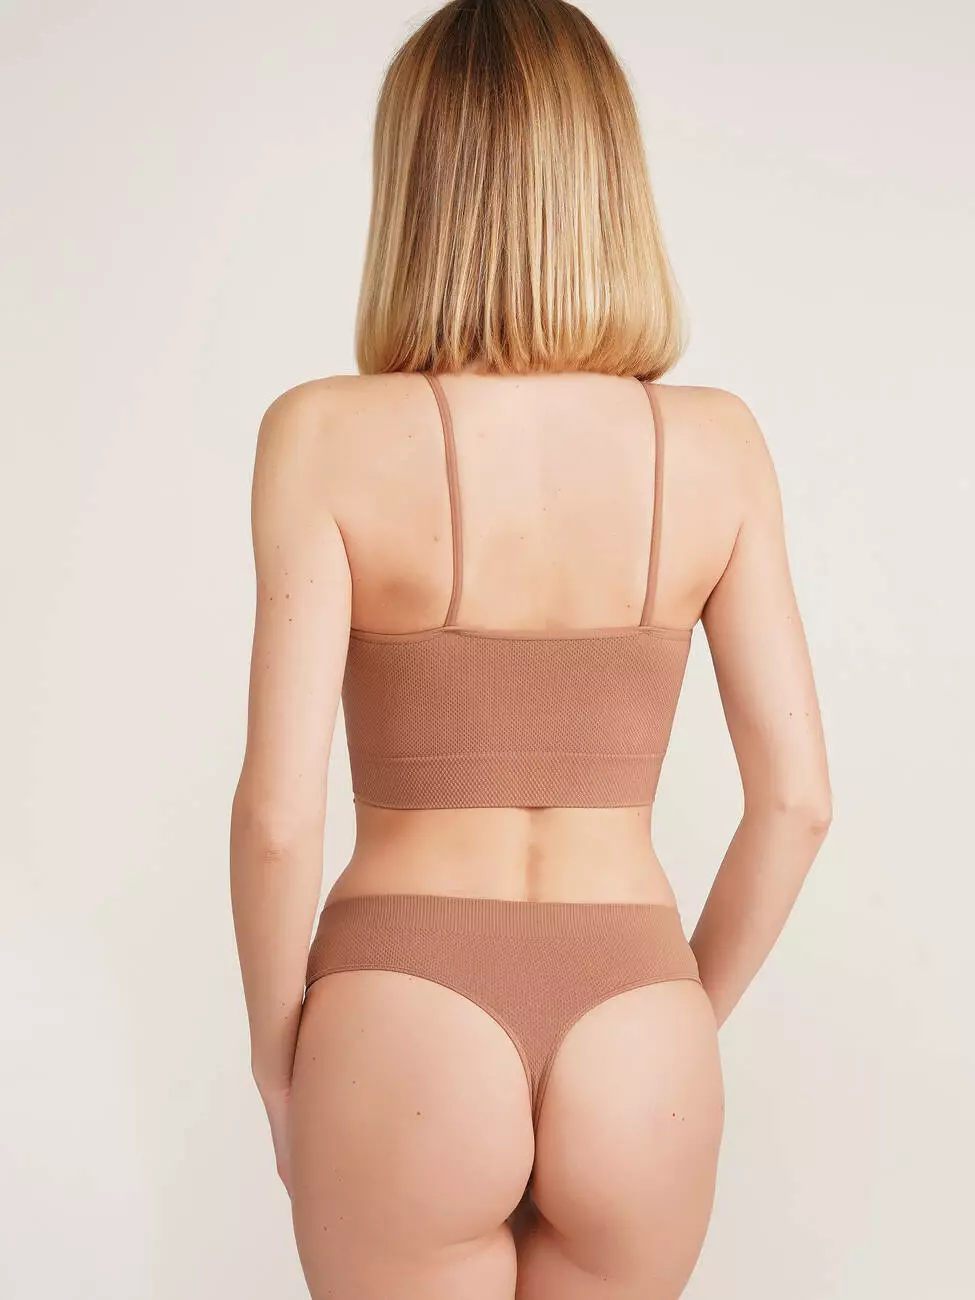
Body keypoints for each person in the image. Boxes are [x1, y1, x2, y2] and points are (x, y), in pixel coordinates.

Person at [229, 1, 832, 1296]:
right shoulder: (718, 445)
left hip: (402, 1007)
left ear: (415, 187)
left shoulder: (322, 433)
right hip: (638, 1005)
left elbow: (278, 819)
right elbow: (796, 804)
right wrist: (680, 1013)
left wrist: (279, 1065)